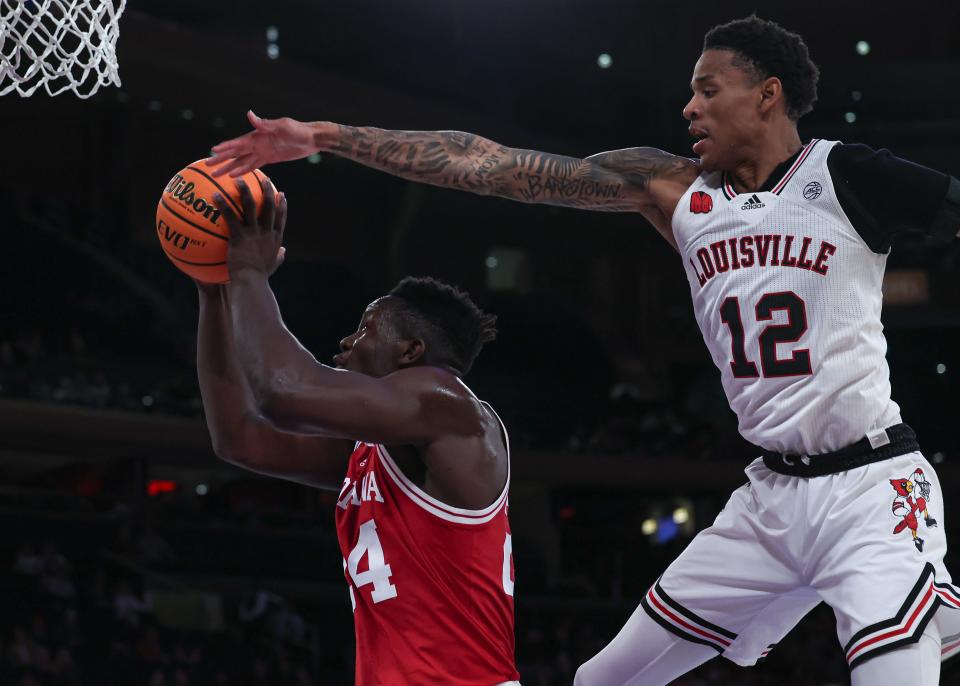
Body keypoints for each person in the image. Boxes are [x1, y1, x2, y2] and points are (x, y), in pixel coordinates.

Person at [207, 14, 960, 685]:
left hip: (869, 487)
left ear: (767, 95)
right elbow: (493, 165)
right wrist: (325, 138)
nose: (688, 107)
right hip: (770, 497)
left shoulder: (846, 175)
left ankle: (925, 602)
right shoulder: (675, 191)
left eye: (708, 90)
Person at [196, 177, 520, 686]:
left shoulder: (446, 403)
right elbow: (239, 436)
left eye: (367, 328)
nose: (347, 340)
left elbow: (283, 392)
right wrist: (214, 294)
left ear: (410, 353)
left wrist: (248, 273)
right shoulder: (376, 446)